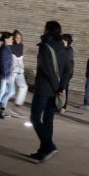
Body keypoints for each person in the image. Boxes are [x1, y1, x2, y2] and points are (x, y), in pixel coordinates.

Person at [29, 20, 70, 163]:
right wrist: (61, 87)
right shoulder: (63, 47)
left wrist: (55, 86)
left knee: (35, 118)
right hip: (56, 90)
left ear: (47, 30)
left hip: (44, 88)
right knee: (48, 120)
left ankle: (50, 146)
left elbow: (47, 70)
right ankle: (43, 151)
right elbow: (68, 69)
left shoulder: (45, 46)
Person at [0, 31, 15, 119]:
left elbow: (8, 61)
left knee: (11, 91)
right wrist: (5, 74)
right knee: (1, 91)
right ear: (6, 39)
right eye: (11, 39)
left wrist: (11, 68)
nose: (12, 40)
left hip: (7, 73)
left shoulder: (7, 48)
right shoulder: (3, 49)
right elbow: (2, 63)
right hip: (3, 74)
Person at [7, 30, 29, 118]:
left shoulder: (21, 45)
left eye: (19, 37)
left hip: (20, 71)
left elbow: (20, 59)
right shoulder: (10, 46)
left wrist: (22, 68)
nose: (18, 39)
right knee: (9, 90)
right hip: (12, 71)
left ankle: (17, 106)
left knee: (24, 87)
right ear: (13, 38)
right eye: (16, 37)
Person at [59, 33, 75, 114]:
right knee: (63, 89)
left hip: (66, 74)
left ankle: (63, 107)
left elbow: (67, 65)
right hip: (65, 73)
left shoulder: (68, 51)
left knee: (64, 89)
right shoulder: (66, 49)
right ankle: (61, 106)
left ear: (66, 41)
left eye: (62, 41)